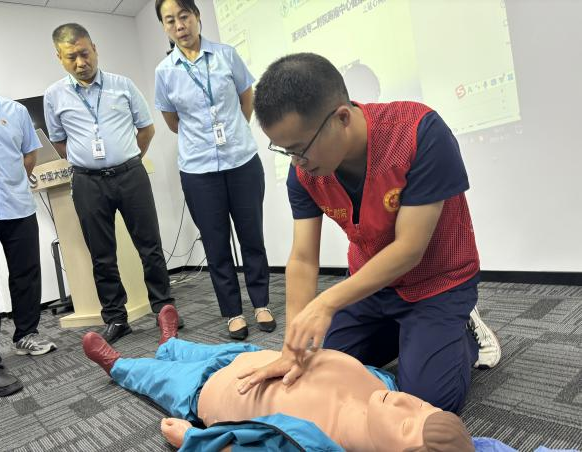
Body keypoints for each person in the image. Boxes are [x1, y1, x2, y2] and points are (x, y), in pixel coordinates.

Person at [236, 53, 502, 414]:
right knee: (313, 371)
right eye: (285, 152)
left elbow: (409, 249)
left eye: (300, 149)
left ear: (342, 118)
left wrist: (326, 303)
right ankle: (409, 335)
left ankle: (463, 329)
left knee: (424, 404)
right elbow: (303, 258)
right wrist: (291, 348)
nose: (296, 163)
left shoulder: (419, 132)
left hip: (436, 283)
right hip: (373, 287)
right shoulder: (304, 173)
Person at [83, 306, 475, 451]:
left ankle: (117, 365)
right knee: (193, 350)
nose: (405, 401)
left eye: (407, 424)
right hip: (255, 358)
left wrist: (191, 439)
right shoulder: (384, 388)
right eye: (420, 405)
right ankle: (171, 343)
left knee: (155, 376)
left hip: (204, 392)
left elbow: (245, 449)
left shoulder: (313, 445)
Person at [44, 23, 183, 344]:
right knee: (102, 254)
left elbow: (146, 129)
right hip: (87, 183)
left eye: (84, 53)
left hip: (130, 175)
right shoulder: (54, 96)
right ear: (59, 58)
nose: (81, 62)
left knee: (149, 246)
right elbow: (59, 142)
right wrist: (89, 162)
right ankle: (117, 318)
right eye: (71, 57)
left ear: (94, 48)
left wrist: (127, 159)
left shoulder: (123, 85)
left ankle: (165, 310)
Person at [153, 0, 275, 340]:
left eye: (184, 16)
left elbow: (246, 98)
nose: (179, 25)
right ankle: (233, 312)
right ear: (164, 27)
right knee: (216, 244)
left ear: (197, 17)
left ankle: (261, 303)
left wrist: (234, 132)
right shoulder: (165, 72)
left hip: (241, 162)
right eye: (170, 20)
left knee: (252, 237)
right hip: (198, 170)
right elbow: (173, 121)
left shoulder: (226, 55)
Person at [0, 41, 56, 397]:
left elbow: (29, 155)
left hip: (17, 206)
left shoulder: (15, 111)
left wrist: (11, 181)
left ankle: (26, 334)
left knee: (25, 272)